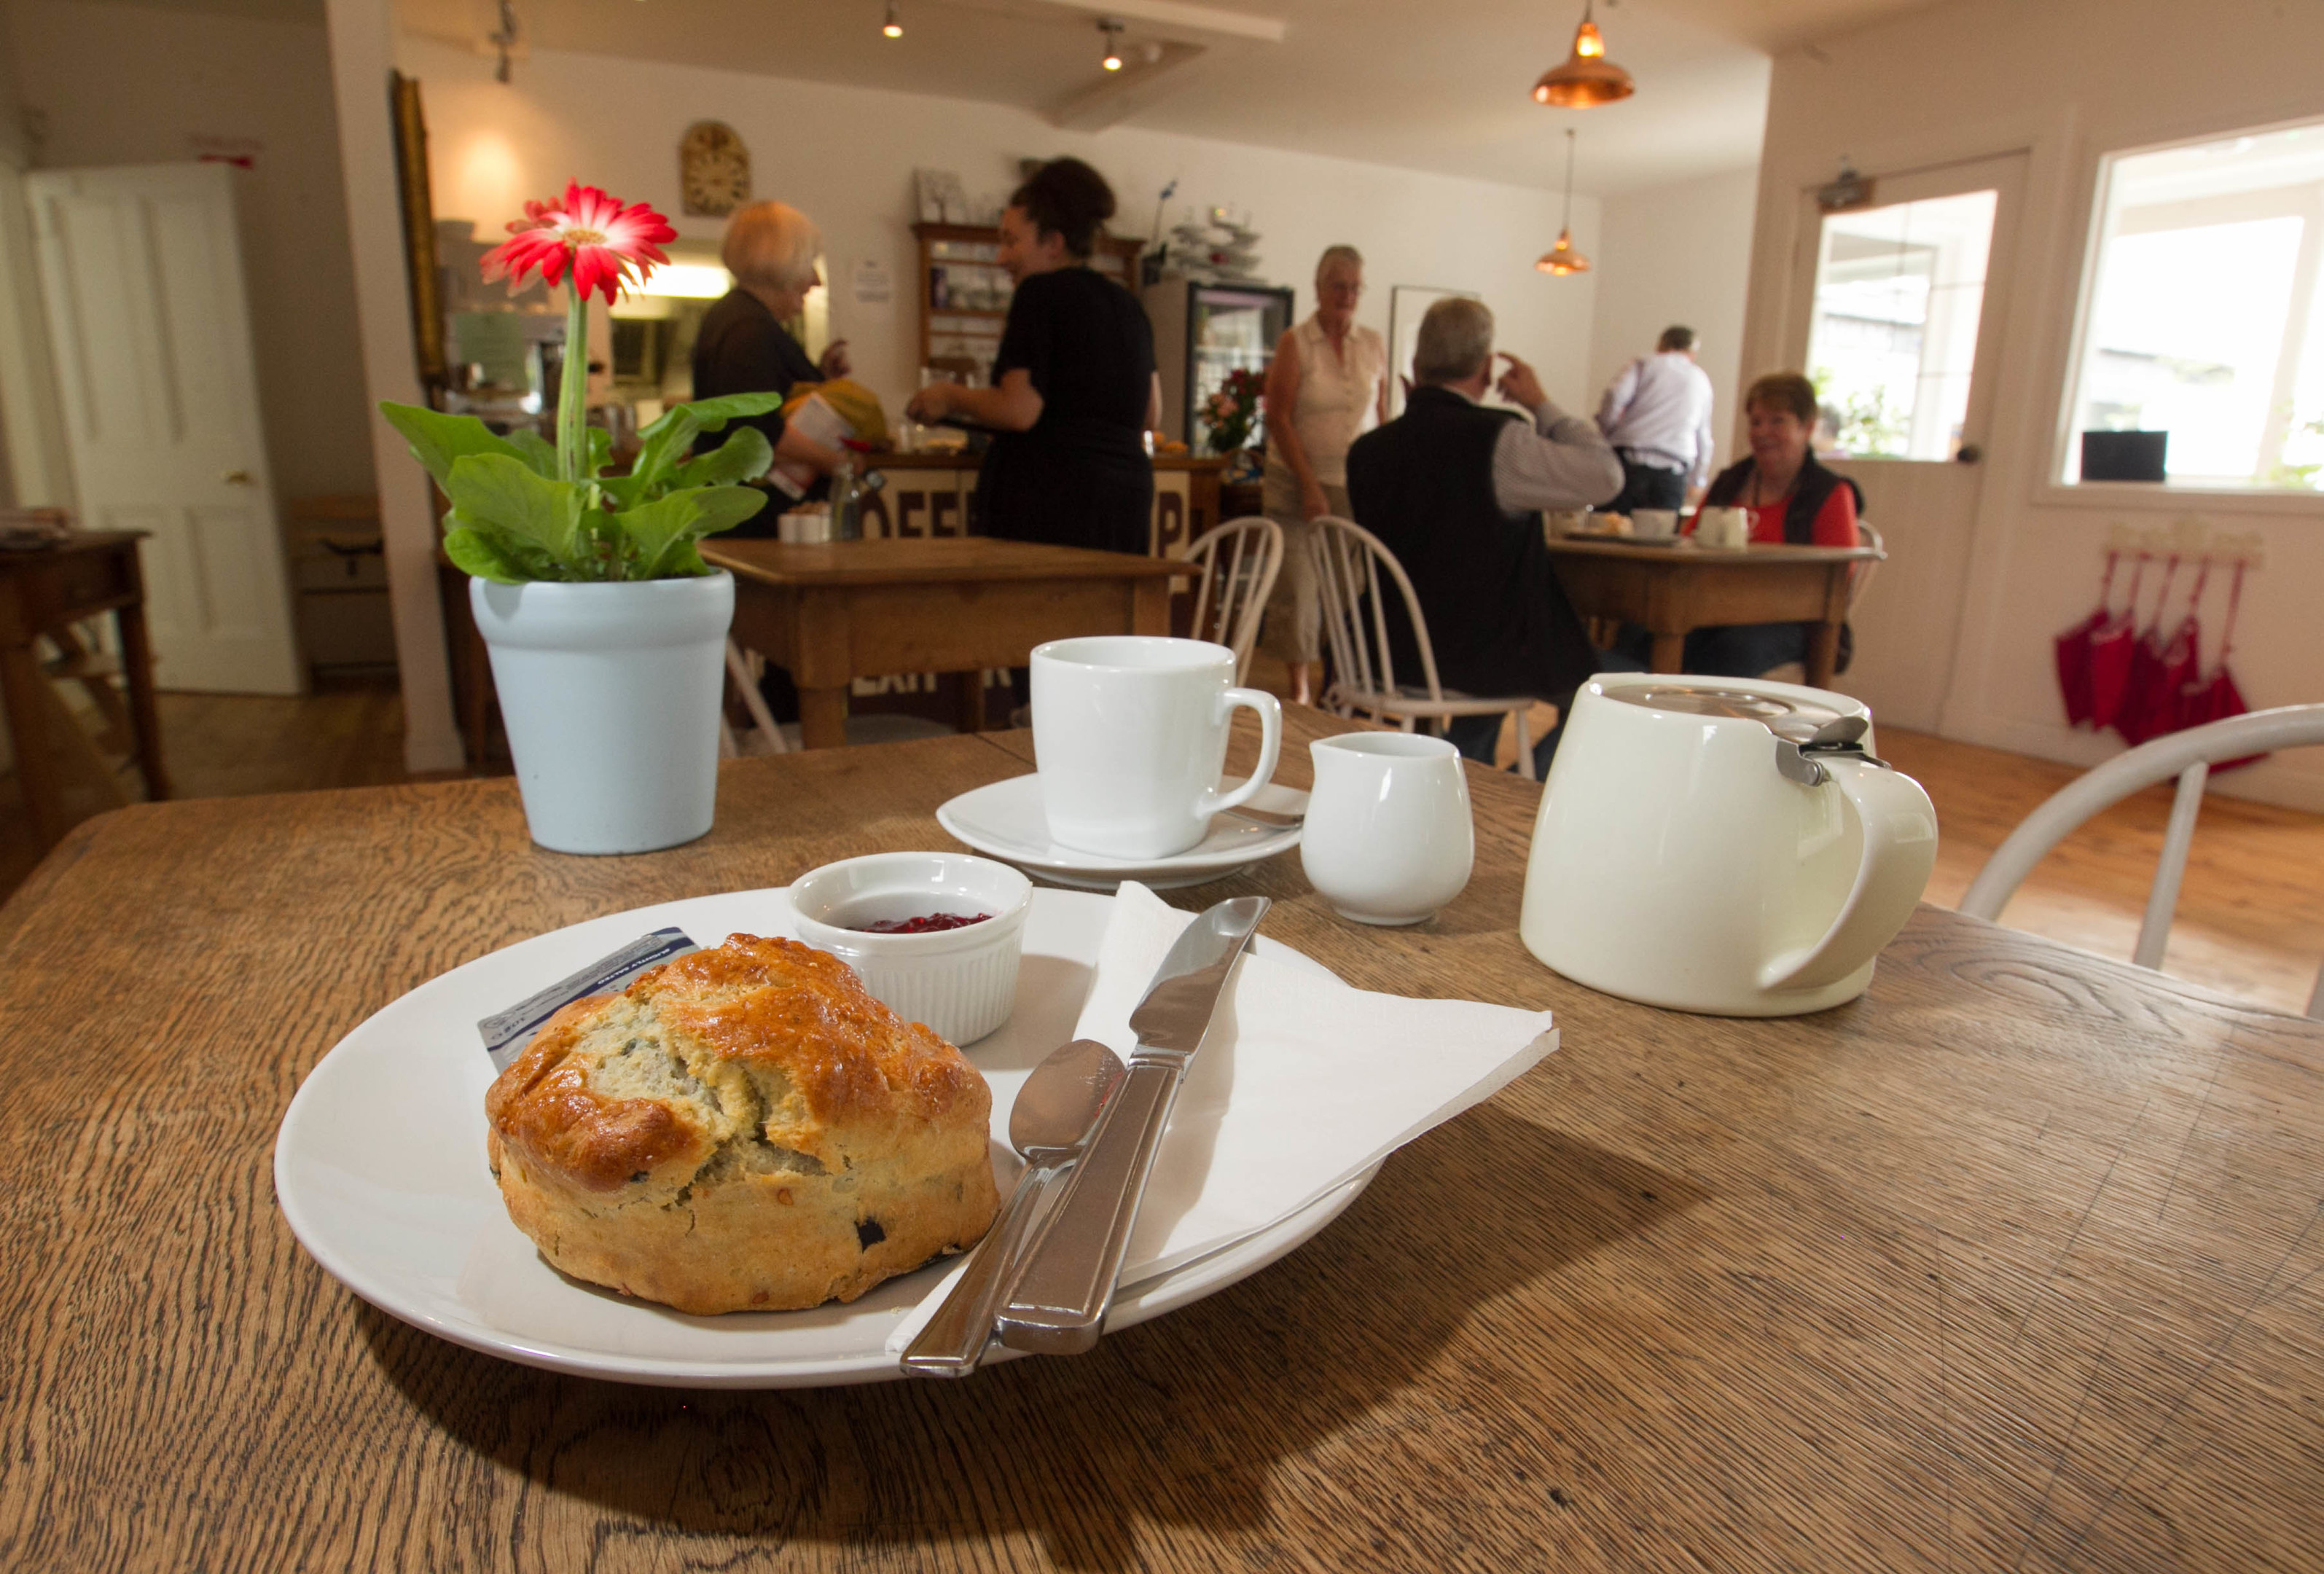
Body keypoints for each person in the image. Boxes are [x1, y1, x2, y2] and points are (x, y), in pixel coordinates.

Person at [1344, 297, 1625, 778]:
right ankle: (1511, 785)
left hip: (1384, 649)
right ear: (1486, 366)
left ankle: (1454, 774)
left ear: (1416, 364)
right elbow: (1606, 477)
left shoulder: (1367, 451)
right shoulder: (1500, 443)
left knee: (1499, 658)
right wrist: (1539, 402)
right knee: (1621, 686)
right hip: (1475, 653)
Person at [906, 157, 1159, 556]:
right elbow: (1150, 413)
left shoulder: (1039, 294)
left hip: (1051, 506)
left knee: (1034, 618)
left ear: (1053, 243)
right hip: (1124, 508)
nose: (1000, 257)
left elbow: (1018, 410)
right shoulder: (1128, 306)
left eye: (1011, 241)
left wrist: (949, 396)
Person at [1637, 370, 1863, 677]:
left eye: (1777, 421)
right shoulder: (1730, 482)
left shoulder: (1830, 492)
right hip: (1712, 610)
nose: (1762, 432)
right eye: (1756, 422)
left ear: (1807, 427)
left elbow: (1838, 574)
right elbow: (1689, 543)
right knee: (1642, 635)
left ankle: (1700, 721)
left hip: (1792, 622)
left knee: (1733, 652)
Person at [1259, 245, 1388, 706]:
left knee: (1346, 590)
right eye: (1339, 285)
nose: (1348, 295)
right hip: (1296, 485)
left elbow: (1383, 417)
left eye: (1355, 287)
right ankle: (1299, 688)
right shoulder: (1297, 341)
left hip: (1352, 486)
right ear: (1318, 288)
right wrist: (1310, 485)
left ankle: (1337, 681)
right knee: (1299, 588)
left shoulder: (1372, 343)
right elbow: (1278, 418)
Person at [692, 201, 850, 524]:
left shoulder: (741, 318)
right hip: (760, 521)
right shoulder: (748, 329)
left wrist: (818, 377)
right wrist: (840, 463)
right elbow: (760, 434)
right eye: (808, 264)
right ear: (782, 262)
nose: (815, 281)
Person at [1595, 324, 1715, 515]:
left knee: (1610, 532)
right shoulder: (1701, 380)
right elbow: (1704, 437)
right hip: (1673, 472)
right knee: (1660, 541)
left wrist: (1607, 431)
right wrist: (1698, 480)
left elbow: (1615, 395)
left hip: (1628, 462)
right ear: (1693, 353)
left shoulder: (1644, 363)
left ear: (1661, 345)